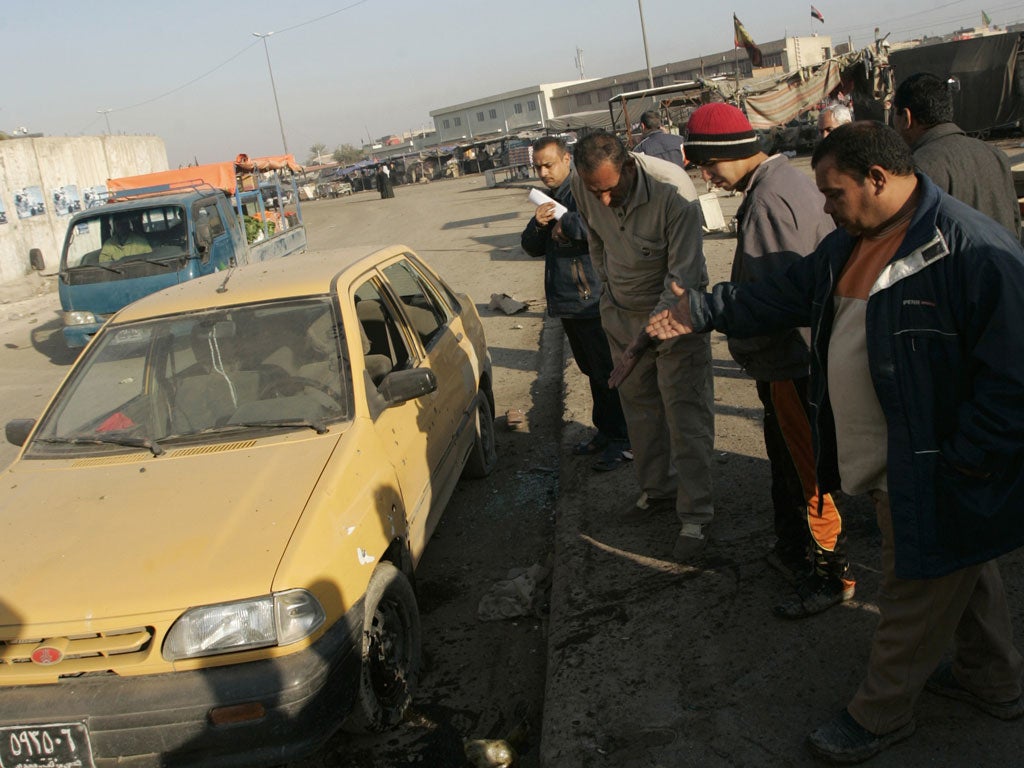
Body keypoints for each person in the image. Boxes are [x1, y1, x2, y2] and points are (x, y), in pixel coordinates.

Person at [646, 121, 1024, 764]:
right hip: (896, 463)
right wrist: (704, 309)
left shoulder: (970, 251)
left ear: (878, 179)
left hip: (932, 468)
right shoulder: (856, 240)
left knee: (911, 593)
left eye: (833, 192)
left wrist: (963, 464)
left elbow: (1013, 380)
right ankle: (995, 681)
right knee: (965, 566)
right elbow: (785, 293)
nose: (822, 206)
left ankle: (879, 715)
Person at [684, 103, 854, 618]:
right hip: (799, 362)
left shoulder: (769, 201)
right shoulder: (781, 183)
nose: (706, 176)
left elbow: (777, 299)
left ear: (731, 152)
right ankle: (796, 553)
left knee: (809, 473)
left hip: (793, 364)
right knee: (792, 464)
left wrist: (713, 310)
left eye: (708, 164)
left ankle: (833, 574)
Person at [570, 131, 714, 561]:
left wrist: (643, 338)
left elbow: (683, 279)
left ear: (630, 167)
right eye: (597, 191)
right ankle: (657, 492)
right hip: (621, 312)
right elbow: (596, 243)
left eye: (610, 190)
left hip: (674, 314)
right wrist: (610, 298)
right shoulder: (586, 184)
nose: (605, 200)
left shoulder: (675, 195)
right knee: (641, 410)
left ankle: (697, 515)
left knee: (685, 412)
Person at [521, 137, 631, 471]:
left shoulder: (583, 190)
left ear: (567, 159)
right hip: (568, 300)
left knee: (606, 371)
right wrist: (539, 224)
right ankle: (606, 431)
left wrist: (564, 224)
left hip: (589, 299)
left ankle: (624, 440)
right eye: (538, 166)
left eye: (549, 164)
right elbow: (531, 247)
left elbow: (599, 226)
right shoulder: (550, 198)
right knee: (591, 371)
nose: (543, 172)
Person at [894, 71, 1020, 240]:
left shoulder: (917, 169)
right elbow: (1014, 221)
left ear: (906, 118)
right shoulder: (996, 155)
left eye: (895, 114)